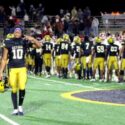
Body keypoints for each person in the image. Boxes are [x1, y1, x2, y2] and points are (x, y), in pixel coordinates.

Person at [0, 28, 41, 116]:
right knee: (14, 88)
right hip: (12, 69)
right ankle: (15, 109)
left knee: (22, 87)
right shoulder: (8, 42)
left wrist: (33, 39)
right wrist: (0, 72)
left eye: (19, 31)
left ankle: (20, 106)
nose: (17, 32)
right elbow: (4, 59)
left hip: (22, 68)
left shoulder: (24, 41)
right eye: (16, 31)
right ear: (13, 33)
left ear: (21, 33)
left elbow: (39, 46)